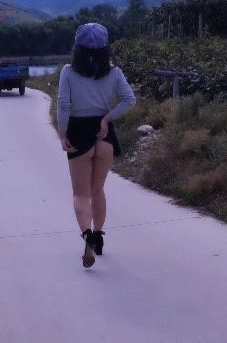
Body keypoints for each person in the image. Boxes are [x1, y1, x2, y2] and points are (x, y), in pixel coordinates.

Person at [56, 22, 136, 268]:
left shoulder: (68, 72)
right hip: (104, 135)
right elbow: (129, 99)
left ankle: (87, 236)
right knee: (98, 189)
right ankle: (99, 237)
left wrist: (62, 133)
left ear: (77, 48)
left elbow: (63, 104)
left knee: (80, 194)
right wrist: (107, 118)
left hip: (78, 132)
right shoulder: (114, 72)